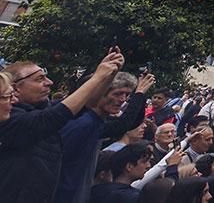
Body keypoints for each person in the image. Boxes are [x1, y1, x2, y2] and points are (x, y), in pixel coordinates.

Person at [0, 52, 124, 201]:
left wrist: (108, 74)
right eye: (39, 79)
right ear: (15, 88)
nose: (49, 82)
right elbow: (53, 117)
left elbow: (85, 103)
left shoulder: (39, 110)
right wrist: (97, 77)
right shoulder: (10, 119)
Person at [57, 69, 154, 203]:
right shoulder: (84, 123)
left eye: (126, 95)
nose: (122, 100)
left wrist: (140, 95)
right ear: (98, 93)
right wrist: (139, 94)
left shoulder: (95, 120)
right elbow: (121, 125)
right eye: (118, 94)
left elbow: (131, 122)